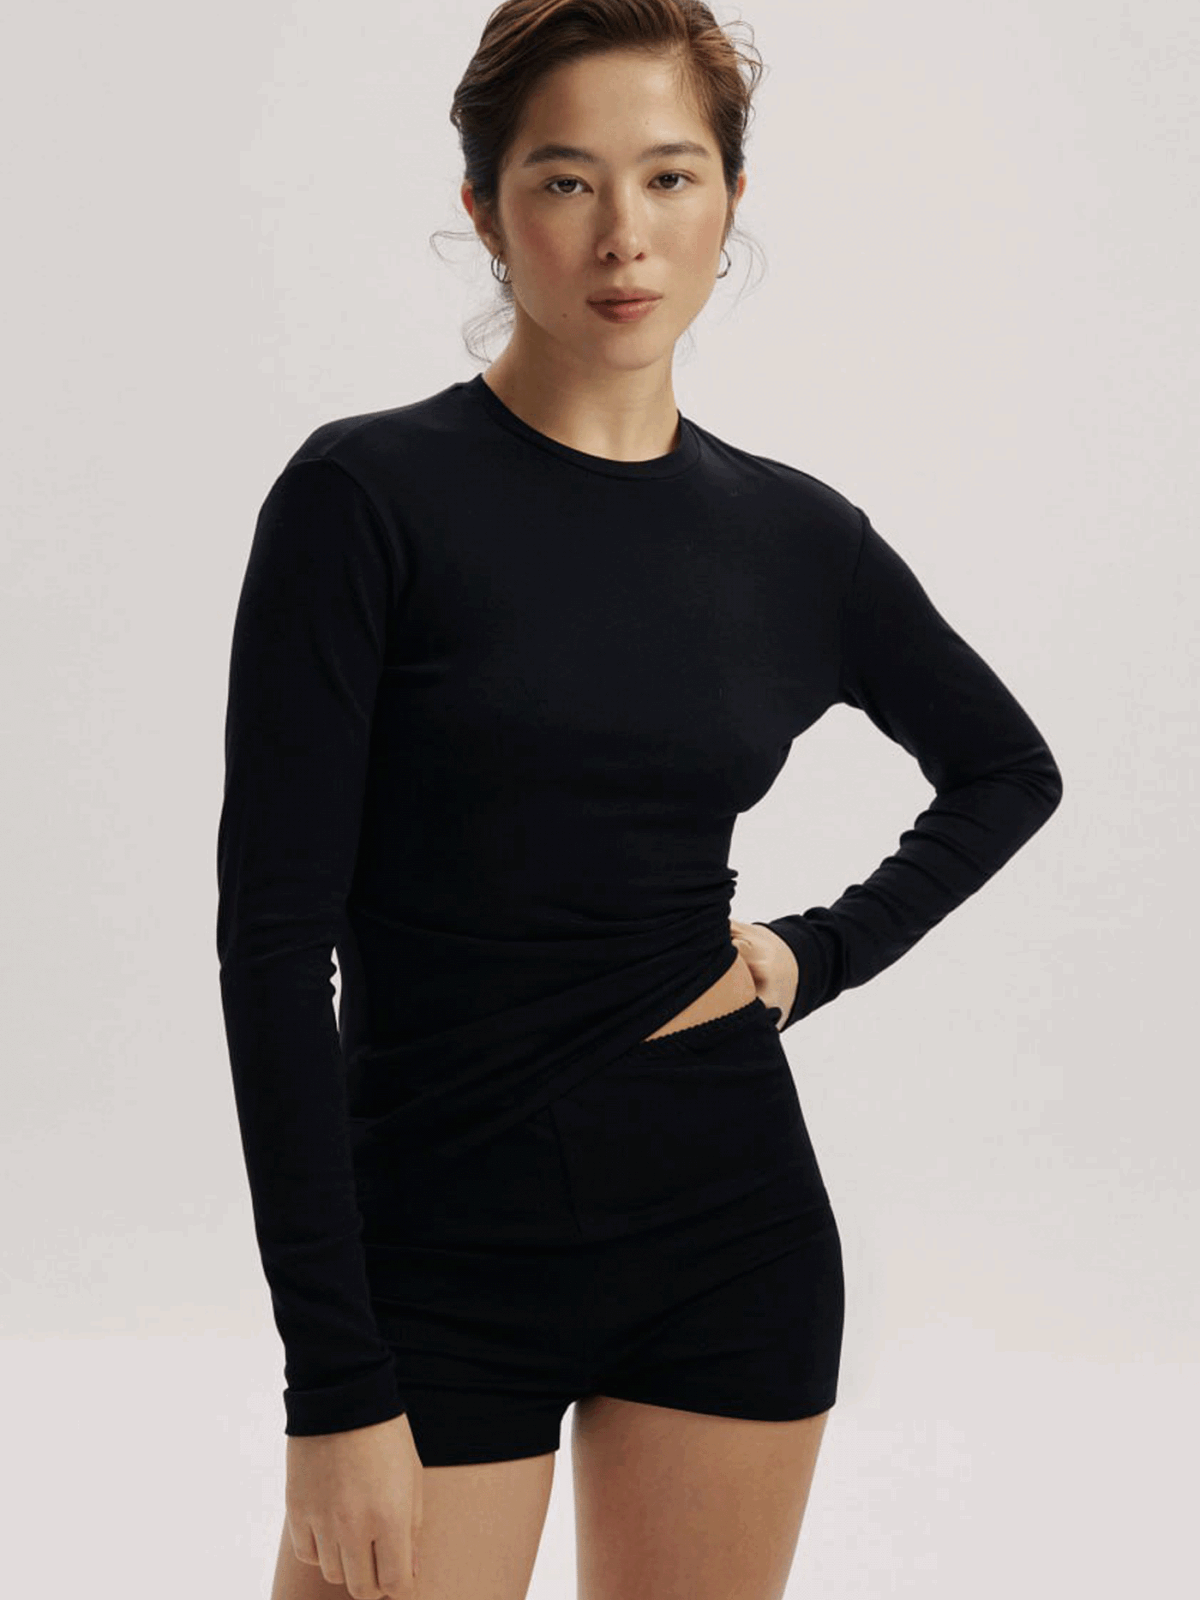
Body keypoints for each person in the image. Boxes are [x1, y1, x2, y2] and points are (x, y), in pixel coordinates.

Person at [215, 5, 1064, 1598]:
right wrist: (331, 1385)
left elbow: (1009, 770)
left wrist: (816, 952)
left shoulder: (796, 540)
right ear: (485, 209)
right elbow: (272, 949)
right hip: (434, 1248)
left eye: (670, 176)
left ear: (730, 197)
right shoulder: (365, 501)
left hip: (726, 1228)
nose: (625, 235)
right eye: (565, 180)